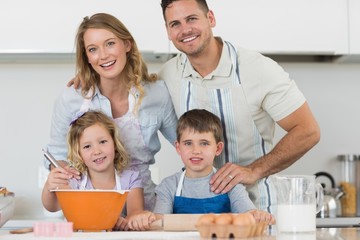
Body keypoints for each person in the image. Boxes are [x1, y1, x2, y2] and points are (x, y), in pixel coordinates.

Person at [158, 0, 321, 213]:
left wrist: (254, 170)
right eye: (175, 24)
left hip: (257, 211)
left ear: (211, 18)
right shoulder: (168, 74)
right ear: (168, 32)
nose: (185, 29)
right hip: (197, 219)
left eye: (192, 19)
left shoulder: (258, 69)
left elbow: (308, 131)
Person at [44, 13, 178, 212]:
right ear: (87, 57)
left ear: (127, 45)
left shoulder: (157, 94)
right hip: (91, 212)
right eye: (93, 49)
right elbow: (57, 157)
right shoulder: (72, 98)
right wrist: (59, 182)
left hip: (142, 211)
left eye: (109, 43)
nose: (103, 55)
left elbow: (184, 143)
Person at [153, 109, 274, 223]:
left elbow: (249, 214)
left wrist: (257, 215)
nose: (196, 150)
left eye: (204, 143)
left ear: (218, 148)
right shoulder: (168, 186)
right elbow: (159, 222)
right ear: (178, 148)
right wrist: (148, 219)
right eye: (188, 143)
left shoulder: (230, 184)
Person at [42, 111, 155, 231]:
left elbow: (135, 213)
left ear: (115, 144)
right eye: (87, 146)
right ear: (79, 153)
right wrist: (49, 185)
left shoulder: (131, 179)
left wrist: (126, 222)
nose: (96, 151)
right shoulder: (75, 182)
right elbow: (52, 206)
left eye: (102, 142)